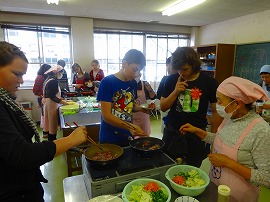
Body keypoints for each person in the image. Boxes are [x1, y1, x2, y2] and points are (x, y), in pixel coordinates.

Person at [0, 41, 88, 201]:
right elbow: (23, 153)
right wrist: (70, 140)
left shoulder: (6, 99)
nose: (20, 80)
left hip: (24, 185)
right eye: (17, 74)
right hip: (14, 192)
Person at [180, 76, 270, 202]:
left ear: (237, 103)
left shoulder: (261, 130)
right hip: (215, 188)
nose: (217, 105)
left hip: (239, 197)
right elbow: (221, 140)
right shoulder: (230, 117)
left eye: (220, 101)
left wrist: (228, 163)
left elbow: (267, 178)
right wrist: (199, 132)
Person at [160, 46, 222, 167]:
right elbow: (163, 107)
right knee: (166, 166)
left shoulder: (210, 82)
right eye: (178, 70)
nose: (181, 73)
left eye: (185, 69)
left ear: (194, 64)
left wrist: (214, 138)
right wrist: (175, 92)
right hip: (172, 132)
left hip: (196, 134)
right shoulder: (171, 80)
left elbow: (216, 111)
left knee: (193, 169)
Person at [97, 49, 149, 146]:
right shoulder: (107, 82)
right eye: (135, 69)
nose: (136, 74)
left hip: (127, 135)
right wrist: (130, 126)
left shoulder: (132, 83)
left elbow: (130, 106)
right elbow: (106, 116)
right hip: (110, 137)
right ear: (124, 63)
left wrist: (142, 109)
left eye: (139, 71)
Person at [43, 65, 69, 141]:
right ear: (56, 73)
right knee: (52, 123)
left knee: (50, 123)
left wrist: (61, 99)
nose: (61, 75)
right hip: (52, 104)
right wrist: (63, 102)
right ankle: (52, 141)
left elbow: (52, 94)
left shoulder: (48, 79)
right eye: (61, 73)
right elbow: (52, 96)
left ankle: (51, 139)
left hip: (49, 104)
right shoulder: (53, 81)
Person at [156, 56, 178, 133]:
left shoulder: (168, 79)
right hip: (166, 108)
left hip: (169, 109)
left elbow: (159, 95)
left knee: (166, 129)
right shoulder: (166, 78)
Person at [33, 64, 51, 138]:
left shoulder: (44, 77)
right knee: (45, 116)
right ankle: (45, 133)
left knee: (46, 116)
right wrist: (41, 95)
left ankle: (47, 132)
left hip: (44, 98)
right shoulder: (40, 77)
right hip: (42, 98)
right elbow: (35, 90)